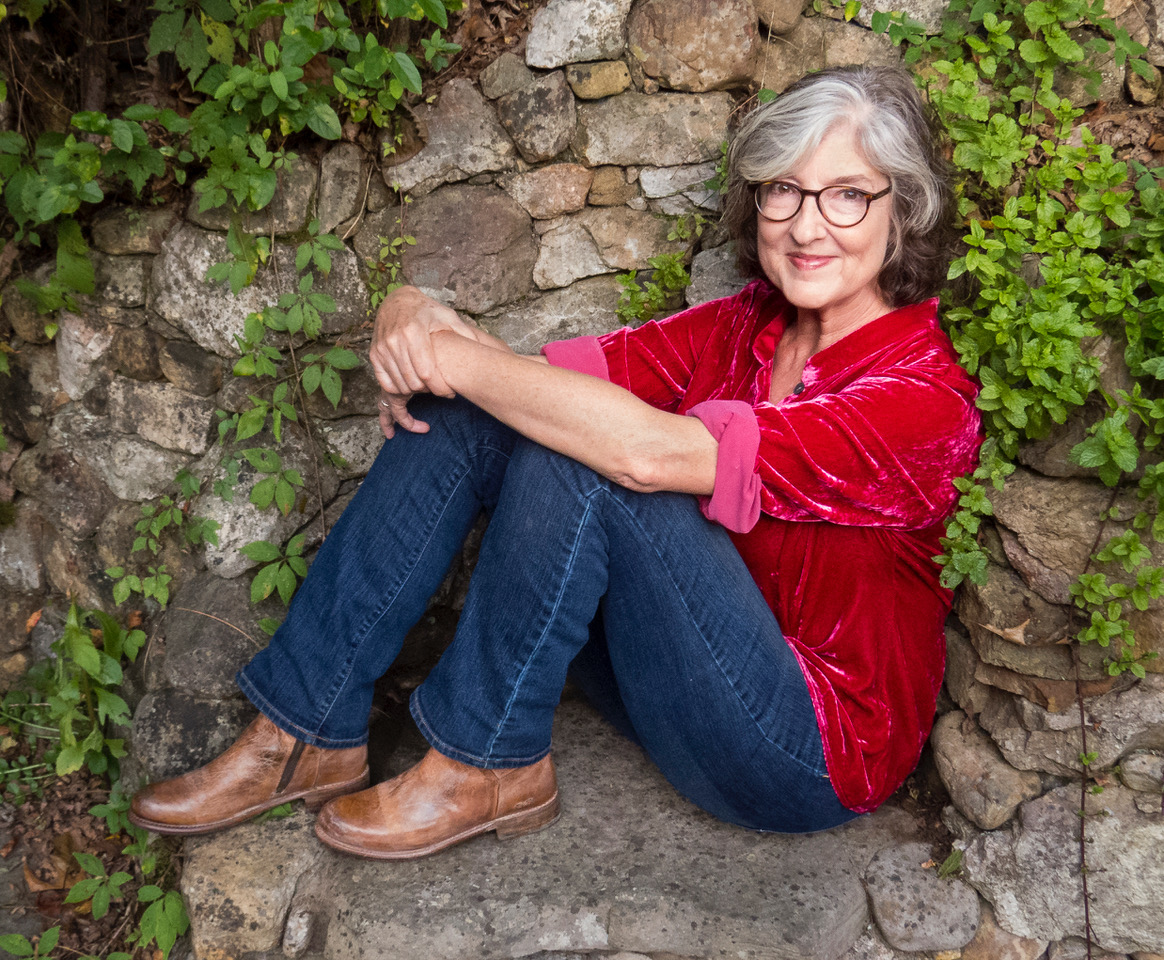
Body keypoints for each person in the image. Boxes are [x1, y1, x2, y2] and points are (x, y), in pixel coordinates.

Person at [128, 64, 982, 858]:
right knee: (482, 412)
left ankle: (487, 758)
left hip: (801, 752)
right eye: (784, 190)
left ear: (901, 211)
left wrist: (461, 362)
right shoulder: (741, 326)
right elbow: (526, 386)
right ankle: (305, 731)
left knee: (595, 455)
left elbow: (648, 455)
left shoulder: (922, 402)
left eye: (845, 197)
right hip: (666, 672)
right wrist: (413, 310)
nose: (805, 225)